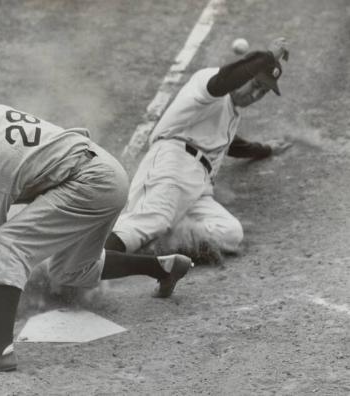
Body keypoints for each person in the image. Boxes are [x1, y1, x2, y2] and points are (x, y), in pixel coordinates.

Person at [0, 103, 193, 375]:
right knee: (70, 271)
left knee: (9, 241)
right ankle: (164, 268)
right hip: (105, 172)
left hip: (89, 184)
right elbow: (16, 155)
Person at [105, 38, 291, 260]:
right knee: (148, 222)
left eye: (263, 93)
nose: (255, 96)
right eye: (255, 86)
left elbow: (226, 143)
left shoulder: (231, 110)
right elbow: (224, 80)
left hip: (198, 187)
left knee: (230, 232)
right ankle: (80, 265)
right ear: (244, 74)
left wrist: (263, 149)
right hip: (171, 166)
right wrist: (267, 56)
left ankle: (160, 244)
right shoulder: (209, 86)